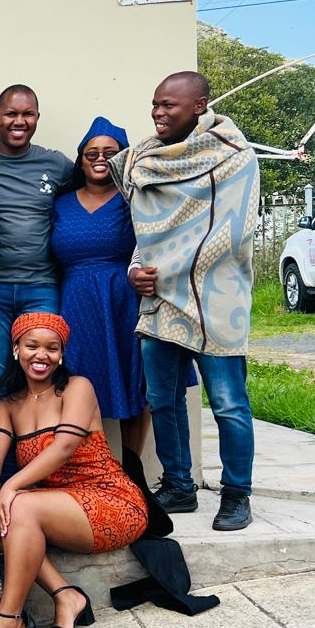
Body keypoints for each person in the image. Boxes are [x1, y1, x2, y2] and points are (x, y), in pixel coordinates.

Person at [114, 72, 260, 532]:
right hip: (159, 297)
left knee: (228, 402)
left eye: (168, 106)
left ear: (199, 106)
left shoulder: (233, 156)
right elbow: (147, 231)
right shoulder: (142, 158)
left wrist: (185, 265)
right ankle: (179, 485)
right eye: (154, 105)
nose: (157, 113)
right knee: (163, 399)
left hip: (218, 297)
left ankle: (237, 494)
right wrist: (135, 270)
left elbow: (235, 226)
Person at [0, 313, 148, 628]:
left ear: (62, 354)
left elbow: (64, 447)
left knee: (16, 504)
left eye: (52, 348)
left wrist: (11, 486)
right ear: (16, 349)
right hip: (58, 508)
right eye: (32, 345)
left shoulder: (77, 387)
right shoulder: (7, 405)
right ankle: (65, 596)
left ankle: (9, 621)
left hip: (110, 500)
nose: (42, 355)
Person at [0, 87, 74, 408]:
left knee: (43, 372)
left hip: (41, 286)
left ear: (37, 117)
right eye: (11, 114)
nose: (19, 121)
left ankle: (40, 452)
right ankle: (3, 458)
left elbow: (93, 192)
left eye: (28, 114)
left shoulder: (57, 165)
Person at [50, 117, 151, 456]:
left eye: (110, 152)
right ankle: (91, 469)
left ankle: (132, 469)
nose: (99, 158)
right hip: (74, 303)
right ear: (80, 159)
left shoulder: (135, 200)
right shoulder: (60, 204)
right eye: (91, 152)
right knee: (76, 383)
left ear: (124, 157)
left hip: (123, 301)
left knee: (132, 384)